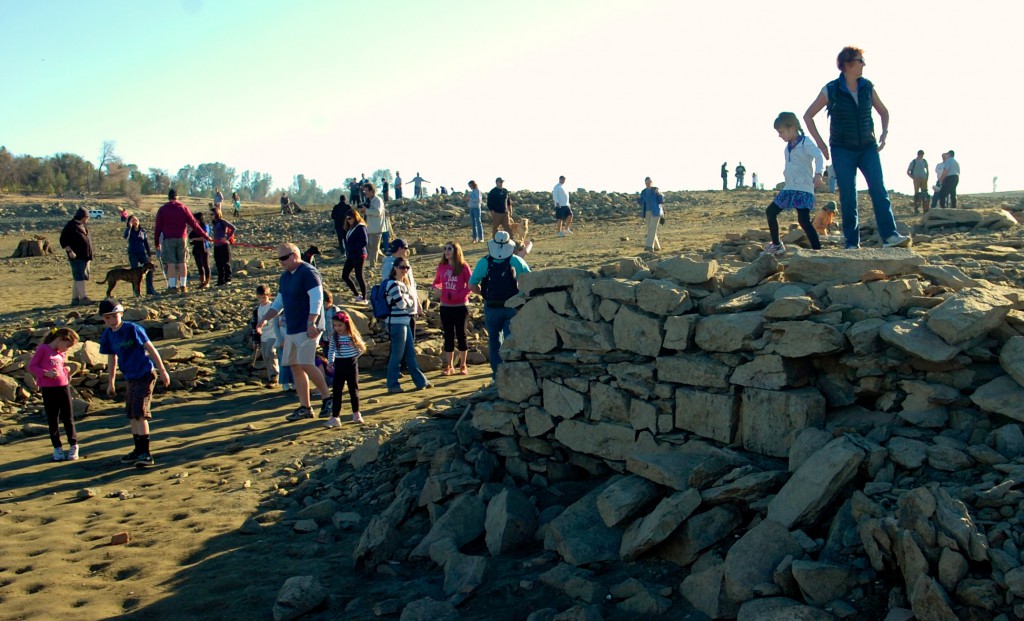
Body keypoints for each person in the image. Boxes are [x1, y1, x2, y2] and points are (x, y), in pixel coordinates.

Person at [803, 45, 910, 249]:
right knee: (848, 195)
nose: (863, 65)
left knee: (878, 190)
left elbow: (884, 112)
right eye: (860, 60)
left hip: (868, 147)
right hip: (842, 149)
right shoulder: (831, 89)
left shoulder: (867, 87)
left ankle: (890, 236)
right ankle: (852, 242)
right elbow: (808, 115)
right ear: (847, 64)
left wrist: (884, 134)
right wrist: (821, 144)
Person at [253, 243, 333, 421]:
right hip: (293, 327)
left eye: (284, 258)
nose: (281, 262)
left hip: (308, 327)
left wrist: (311, 321)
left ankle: (328, 398)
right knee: (295, 365)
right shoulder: (285, 277)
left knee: (305, 363)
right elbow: (279, 303)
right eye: (279, 258)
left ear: (295, 255)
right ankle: (305, 406)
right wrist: (264, 319)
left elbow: (317, 299)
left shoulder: (308, 273)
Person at [99, 298, 171, 468]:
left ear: (121, 314)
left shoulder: (132, 329)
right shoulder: (108, 335)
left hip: (145, 373)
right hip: (130, 376)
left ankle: (146, 453)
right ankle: (138, 449)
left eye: (113, 316)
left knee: (140, 412)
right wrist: (111, 382)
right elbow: (112, 358)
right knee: (131, 413)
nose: (110, 320)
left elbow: (151, 349)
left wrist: (162, 371)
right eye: (107, 317)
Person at [761, 112, 825, 255]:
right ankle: (777, 245)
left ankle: (818, 250)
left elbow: (819, 156)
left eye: (781, 132)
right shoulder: (787, 147)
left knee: (803, 220)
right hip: (789, 188)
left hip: (803, 188)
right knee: (770, 212)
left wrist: (819, 174)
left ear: (792, 128)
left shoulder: (805, 142)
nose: (779, 135)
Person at [469, 231, 531, 379]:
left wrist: (483, 295)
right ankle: (512, 369)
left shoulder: (484, 262)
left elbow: (472, 285)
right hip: (511, 305)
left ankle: (497, 373)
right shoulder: (516, 260)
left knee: (494, 340)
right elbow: (529, 279)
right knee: (511, 338)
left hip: (491, 306)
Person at [28, 327, 80, 461]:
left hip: (63, 387)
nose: (67, 349)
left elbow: (59, 367)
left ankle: (74, 445)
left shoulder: (61, 354)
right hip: (48, 388)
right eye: (67, 345)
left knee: (68, 417)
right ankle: (57, 448)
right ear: (60, 339)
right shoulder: (44, 349)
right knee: (53, 418)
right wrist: (46, 373)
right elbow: (32, 366)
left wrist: (66, 369)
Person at [381, 257, 431, 393]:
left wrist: (407, 300)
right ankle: (392, 384)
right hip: (396, 323)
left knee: (410, 353)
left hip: (404, 321)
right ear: (395, 268)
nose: (405, 270)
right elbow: (402, 304)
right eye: (402, 267)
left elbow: (406, 303)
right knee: (397, 355)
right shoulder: (393, 284)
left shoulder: (402, 284)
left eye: (407, 268)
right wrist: (409, 300)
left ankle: (421, 381)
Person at [154, 189, 210, 293]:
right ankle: (183, 285)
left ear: (168, 197)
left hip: (168, 238)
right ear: (177, 197)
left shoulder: (162, 209)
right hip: (182, 238)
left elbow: (158, 227)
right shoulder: (183, 208)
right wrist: (205, 235)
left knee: (171, 263)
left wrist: (157, 242)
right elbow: (194, 224)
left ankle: (172, 287)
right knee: (182, 262)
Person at [432, 241, 472, 376]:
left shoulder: (463, 266)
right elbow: (436, 282)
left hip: (461, 306)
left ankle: (463, 364)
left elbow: (470, 284)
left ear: (456, 251)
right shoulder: (442, 267)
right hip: (446, 306)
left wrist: (461, 294)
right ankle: (449, 366)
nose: (447, 251)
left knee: (462, 334)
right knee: (448, 335)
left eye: (450, 249)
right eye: (445, 249)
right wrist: (436, 290)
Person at [323, 311, 367, 427]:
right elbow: (331, 349)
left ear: (346, 324)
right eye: (335, 325)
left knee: (353, 389)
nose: (337, 328)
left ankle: (356, 413)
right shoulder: (334, 337)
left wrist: (354, 357)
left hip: (351, 364)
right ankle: (335, 416)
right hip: (339, 364)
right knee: (337, 390)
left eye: (339, 325)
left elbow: (362, 348)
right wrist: (330, 362)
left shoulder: (352, 336)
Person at [60, 207, 94, 306]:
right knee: (79, 277)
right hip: (76, 256)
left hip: (84, 256)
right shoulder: (71, 226)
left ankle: (75, 299)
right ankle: (83, 298)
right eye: (87, 217)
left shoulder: (82, 226)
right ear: (83, 217)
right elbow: (63, 240)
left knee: (78, 277)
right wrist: (70, 251)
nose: (88, 219)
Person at [251, 284, 279, 387]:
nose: (262, 300)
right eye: (259, 298)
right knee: (265, 356)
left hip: (274, 334)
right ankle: (270, 377)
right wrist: (255, 341)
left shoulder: (273, 307)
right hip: (263, 336)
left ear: (269, 296)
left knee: (270, 352)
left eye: (264, 297)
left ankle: (275, 376)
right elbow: (254, 326)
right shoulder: (256, 310)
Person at [124, 214, 157, 295]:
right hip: (133, 254)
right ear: (129, 222)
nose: (135, 221)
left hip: (142, 253)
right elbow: (126, 237)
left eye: (136, 219)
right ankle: (136, 292)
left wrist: (149, 255)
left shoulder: (142, 231)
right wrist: (129, 227)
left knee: (149, 270)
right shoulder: (129, 231)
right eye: (132, 220)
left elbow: (146, 243)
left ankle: (150, 290)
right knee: (134, 273)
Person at [341, 209, 369, 302]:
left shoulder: (361, 227)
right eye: (347, 219)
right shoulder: (351, 228)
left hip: (359, 254)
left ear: (355, 217)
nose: (349, 221)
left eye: (350, 218)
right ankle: (357, 295)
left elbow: (364, 241)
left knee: (359, 276)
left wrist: (354, 248)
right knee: (345, 275)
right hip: (351, 255)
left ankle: (364, 298)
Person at [210, 204, 237, 286]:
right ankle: (220, 280)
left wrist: (227, 238)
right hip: (216, 245)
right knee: (218, 263)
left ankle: (228, 279)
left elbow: (233, 228)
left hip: (224, 245)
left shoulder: (222, 221)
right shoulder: (214, 223)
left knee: (226, 263)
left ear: (217, 214)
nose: (210, 216)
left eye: (212, 214)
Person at [363, 182, 389, 268]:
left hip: (376, 228)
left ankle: (372, 265)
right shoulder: (368, 201)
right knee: (374, 249)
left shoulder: (378, 200)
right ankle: (389, 261)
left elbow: (378, 212)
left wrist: (366, 210)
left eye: (366, 191)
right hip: (370, 228)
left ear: (372, 191)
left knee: (373, 249)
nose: (365, 193)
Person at [637, 177, 663, 252]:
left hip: (655, 212)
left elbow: (661, 200)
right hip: (647, 212)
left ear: (651, 182)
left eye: (649, 182)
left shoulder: (655, 190)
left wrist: (659, 194)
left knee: (652, 228)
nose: (648, 184)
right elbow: (641, 202)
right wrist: (638, 199)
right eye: (646, 183)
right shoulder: (644, 192)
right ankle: (657, 247)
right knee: (651, 229)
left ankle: (649, 246)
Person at [189, 212, 212, 288]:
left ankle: (207, 282)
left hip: (204, 247)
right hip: (196, 248)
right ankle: (202, 281)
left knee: (205, 265)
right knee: (199, 265)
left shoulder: (205, 226)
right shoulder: (195, 227)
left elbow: (205, 237)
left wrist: (195, 239)